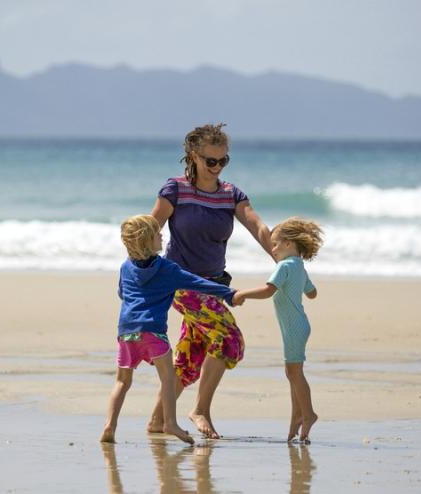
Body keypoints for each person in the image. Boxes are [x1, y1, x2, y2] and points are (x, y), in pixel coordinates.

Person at [148, 123, 274, 439]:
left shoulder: (231, 195)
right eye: (210, 161)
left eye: (223, 161)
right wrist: (139, 274)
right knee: (230, 339)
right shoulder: (174, 190)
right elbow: (150, 229)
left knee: (190, 361)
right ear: (193, 156)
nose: (216, 167)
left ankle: (158, 421)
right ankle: (200, 410)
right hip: (179, 283)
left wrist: (283, 259)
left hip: (213, 286)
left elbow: (257, 226)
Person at [100, 214, 242, 444]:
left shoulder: (125, 267)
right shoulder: (167, 268)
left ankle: (109, 427)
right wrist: (228, 293)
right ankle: (170, 423)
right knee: (168, 378)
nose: (162, 235)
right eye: (157, 233)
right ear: (148, 241)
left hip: (125, 331)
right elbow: (197, 283)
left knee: (122, 382)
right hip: (153, 332)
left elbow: (122, 294)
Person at [232, 217, 323, 443]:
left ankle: (309, 413)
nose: (272, 249)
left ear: (289, 244)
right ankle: (296, 417)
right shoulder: (299, 266)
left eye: (275, 244)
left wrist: (242, 294)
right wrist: (300, 287)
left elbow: (267, 290)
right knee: (293, 372)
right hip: (299, 325)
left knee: (294, 373)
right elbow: (313, 293)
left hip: (293, 327)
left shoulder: (284, 266)